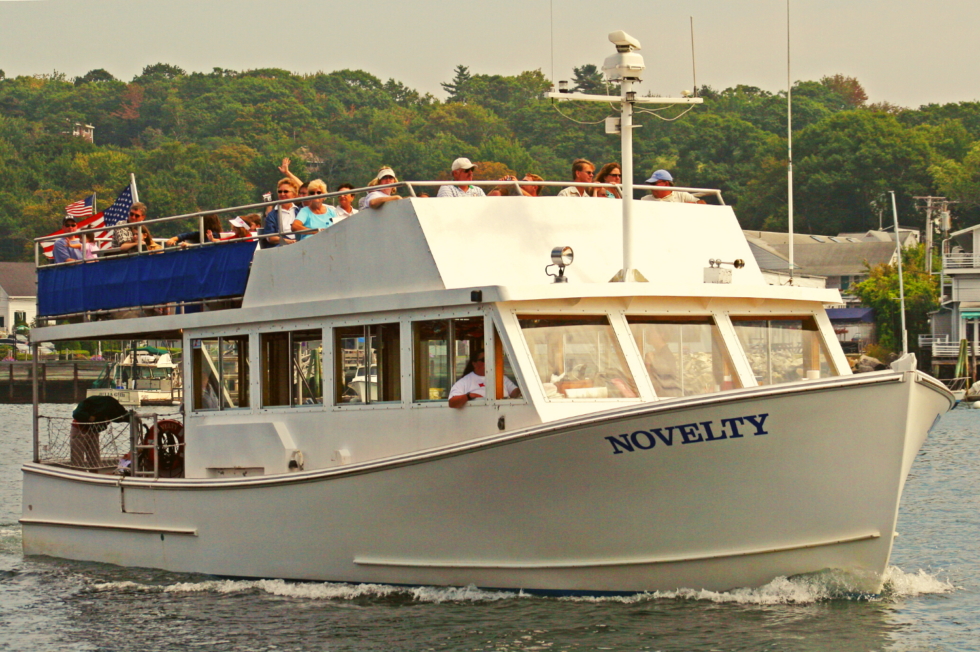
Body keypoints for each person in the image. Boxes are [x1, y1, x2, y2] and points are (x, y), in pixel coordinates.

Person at [448, 351, 520, 408]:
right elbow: (452, 403)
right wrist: (469, 396)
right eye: (484, 359)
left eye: (491, 359)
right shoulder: (465, 381)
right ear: (474, 364)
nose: (489, 362)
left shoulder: (501, 378)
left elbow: (514, 393)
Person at [260, 178, 300, 248]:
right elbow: (270, 237)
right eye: (280, 192)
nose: (282, 194)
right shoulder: (272, 215)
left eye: (286, 191)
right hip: (282, 247)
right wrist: (288, 241)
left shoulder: (300, 211)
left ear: (294, 194)